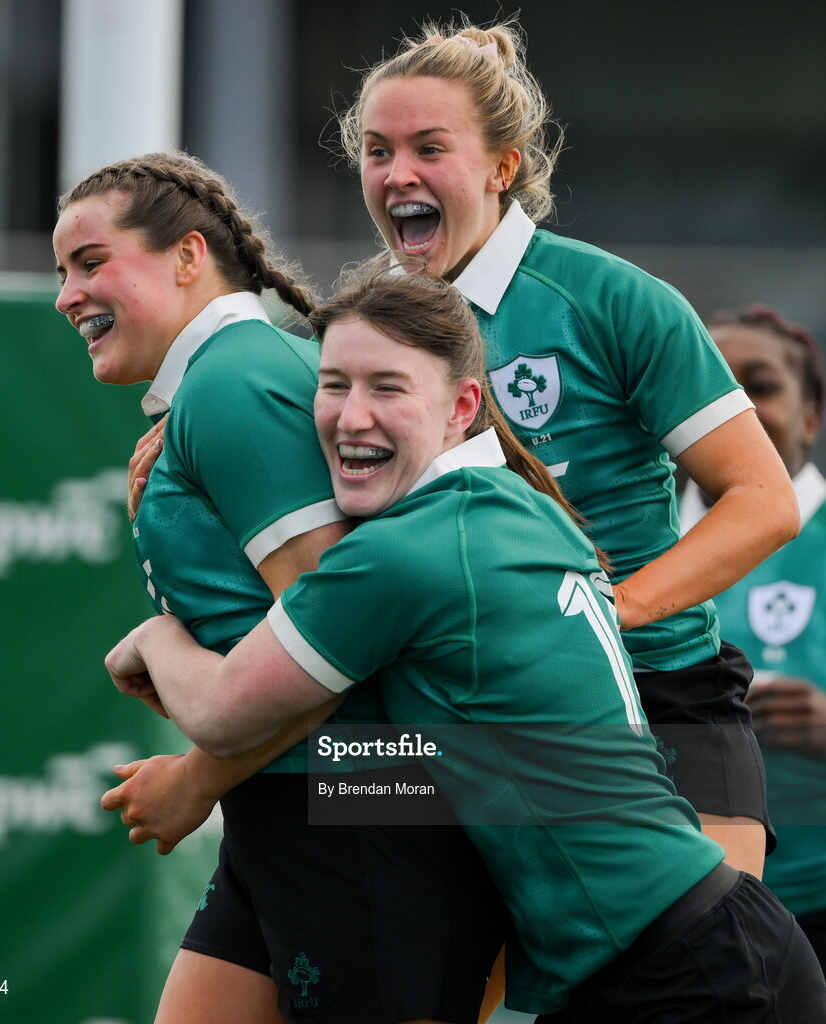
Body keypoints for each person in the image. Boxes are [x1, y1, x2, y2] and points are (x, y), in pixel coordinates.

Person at [106, 269, 826, 1021]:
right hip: (687, 956)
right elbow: (451, 766)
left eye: (386, 388)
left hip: (694, 973)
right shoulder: (518, 503)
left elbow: (224, 712)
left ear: (461, 407)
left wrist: (158, 644)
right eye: (332, 386)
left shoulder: (411, 554)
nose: (352, 417)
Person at [332, 16, 801, 877]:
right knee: (362, 954)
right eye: (375, 150)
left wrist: (601, 615)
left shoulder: (612, 299)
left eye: (428, 148)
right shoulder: (350, 330)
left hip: (656, 693)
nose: (396, 173)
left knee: (718, 970)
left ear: (502, 167)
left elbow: (763, 503)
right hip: (442, 712)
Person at [54, 152, 508, 1024]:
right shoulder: (225, 382)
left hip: (350, 802)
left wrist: (195, 770)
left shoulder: (233, 377)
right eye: (62, 271)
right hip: (304, 797)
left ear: (189, 257)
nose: (67, 295)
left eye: (90, 262)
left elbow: (334, 628)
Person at [679, 305, 826, 971]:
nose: (732, 408)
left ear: (809, 416)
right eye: (711, 387)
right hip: (666, 907)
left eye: (758, 387)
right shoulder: (621, 546)